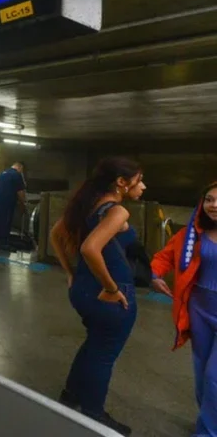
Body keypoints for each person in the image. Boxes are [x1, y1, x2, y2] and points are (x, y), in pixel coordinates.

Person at [49, 157, 145, 435]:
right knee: (104, 355)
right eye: (139, 180)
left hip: (81, 289)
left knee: (95, 344)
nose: (143, 186)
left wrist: (70, 272)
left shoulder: (86, 205)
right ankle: (93, 414)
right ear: (121, 183)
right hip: (110, 295)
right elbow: (90, 249)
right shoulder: (117, 212)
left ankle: (72, 395)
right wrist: (112, 289)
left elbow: (56, 234)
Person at [149, 182, 217, 434]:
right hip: (199, 310)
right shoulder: (193, 235)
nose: (214, 205)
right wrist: (155, 274)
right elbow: (164, 256)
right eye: (209, 199)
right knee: (201, 375)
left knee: (214, 377)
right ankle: (210, 420)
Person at [0, 162, 27, 251]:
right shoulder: (16, 175)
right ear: (20, 168)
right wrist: (24, 203)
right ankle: (4, 244)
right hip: (5, 202)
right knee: (6, 221)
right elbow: (20, 192)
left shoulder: (2, 173)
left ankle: (2, 241)